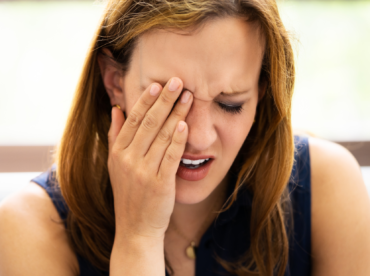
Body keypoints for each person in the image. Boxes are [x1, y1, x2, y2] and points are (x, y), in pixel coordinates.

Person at [1, 0, 370, 275]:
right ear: (114, 81)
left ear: (262, 94)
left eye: (230, 104)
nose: (196, 137)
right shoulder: (26, 229)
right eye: (171, 99)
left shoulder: (327, 187)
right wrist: (138, 240)